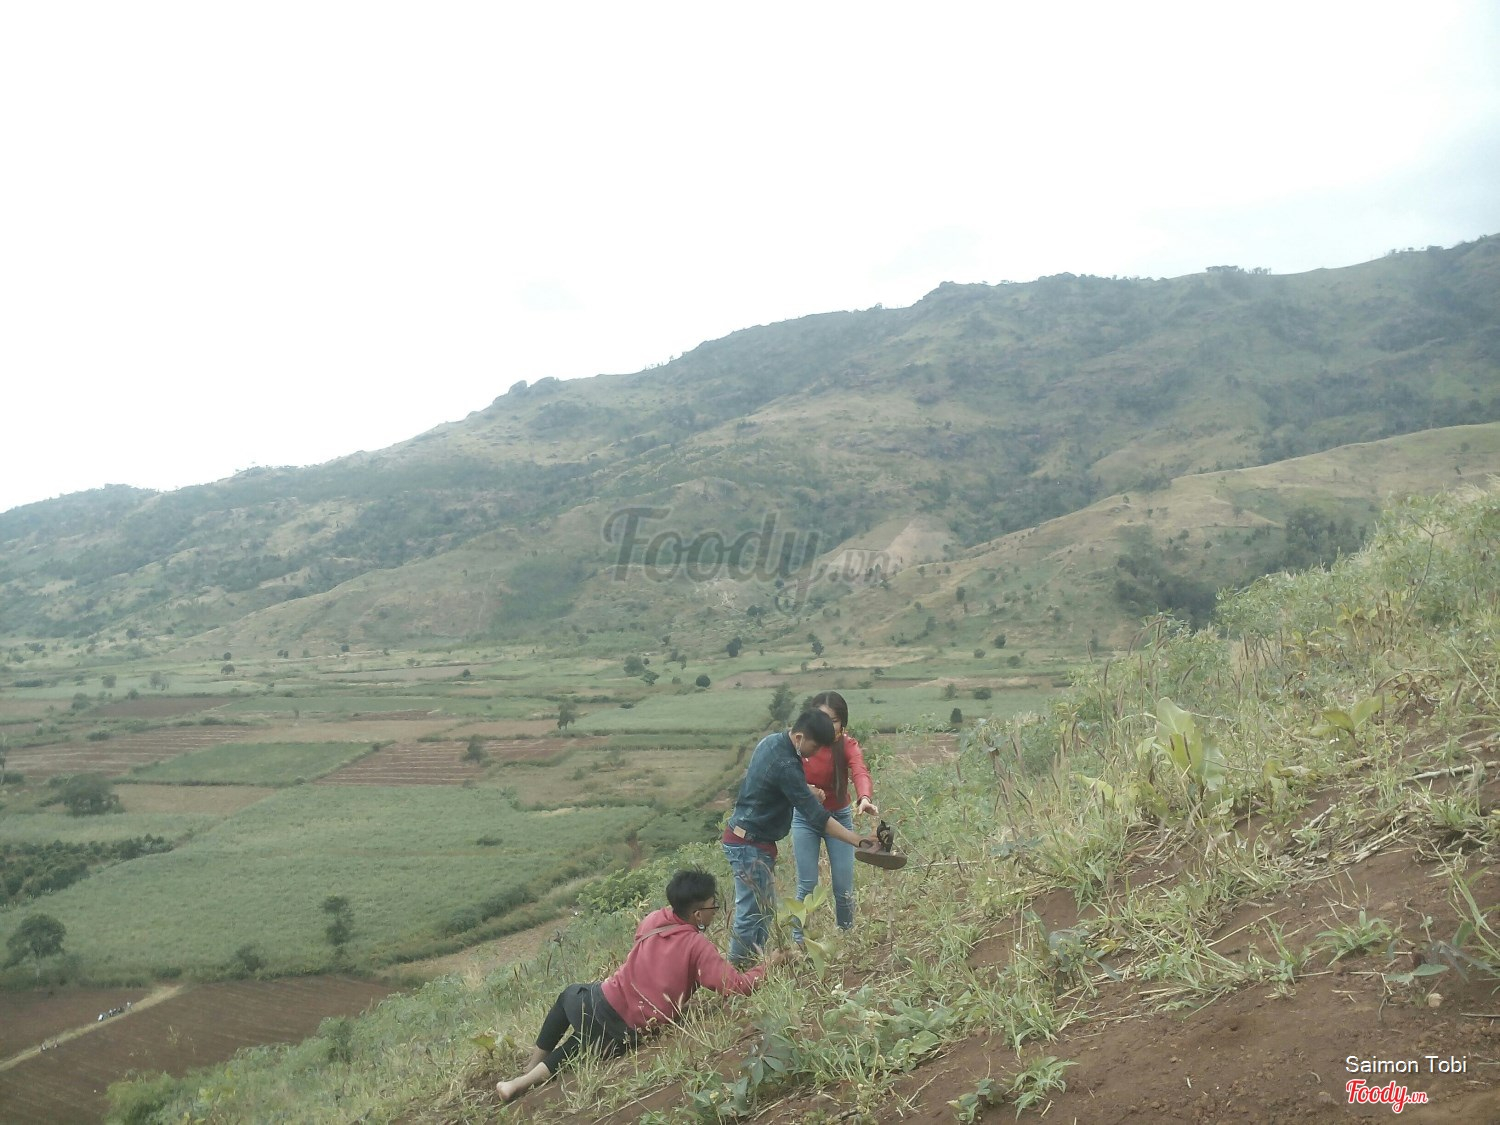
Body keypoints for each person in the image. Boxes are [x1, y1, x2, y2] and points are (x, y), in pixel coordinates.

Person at [495, 869, 779, 1103]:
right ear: (697, 914)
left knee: (569, 998)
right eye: (712, 905)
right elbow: (737, 986)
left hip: (602, 1000)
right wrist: (771, 964)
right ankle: (520, 1083)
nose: (716, 911)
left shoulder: (653, 919)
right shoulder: (697, 946)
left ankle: (527, 1070)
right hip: (626, 1031)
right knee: (581, 1044)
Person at [721, 708, 870, 967]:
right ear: (800, 737)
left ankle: (754, 968)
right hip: (748, 844)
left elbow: (774, 783)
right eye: (815, 746)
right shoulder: (787, 764)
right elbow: (817, 817)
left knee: (763, 912)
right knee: (749, 914)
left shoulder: (772, 742)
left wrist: (806, 789)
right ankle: (735, 974)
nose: (816, 753)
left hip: (751, 840)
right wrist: (859, 840)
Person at [792, 690, 878, 939]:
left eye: (833, 720)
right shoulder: (801, 744)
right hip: (806, 817)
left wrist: (864, 797)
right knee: (807, 885)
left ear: (842, 722)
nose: (827, 725)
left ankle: (847, 937)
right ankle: (798, 941)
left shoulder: (847, 745)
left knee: (843, 887)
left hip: (838, 816)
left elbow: (860, 770)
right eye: (821, 718)